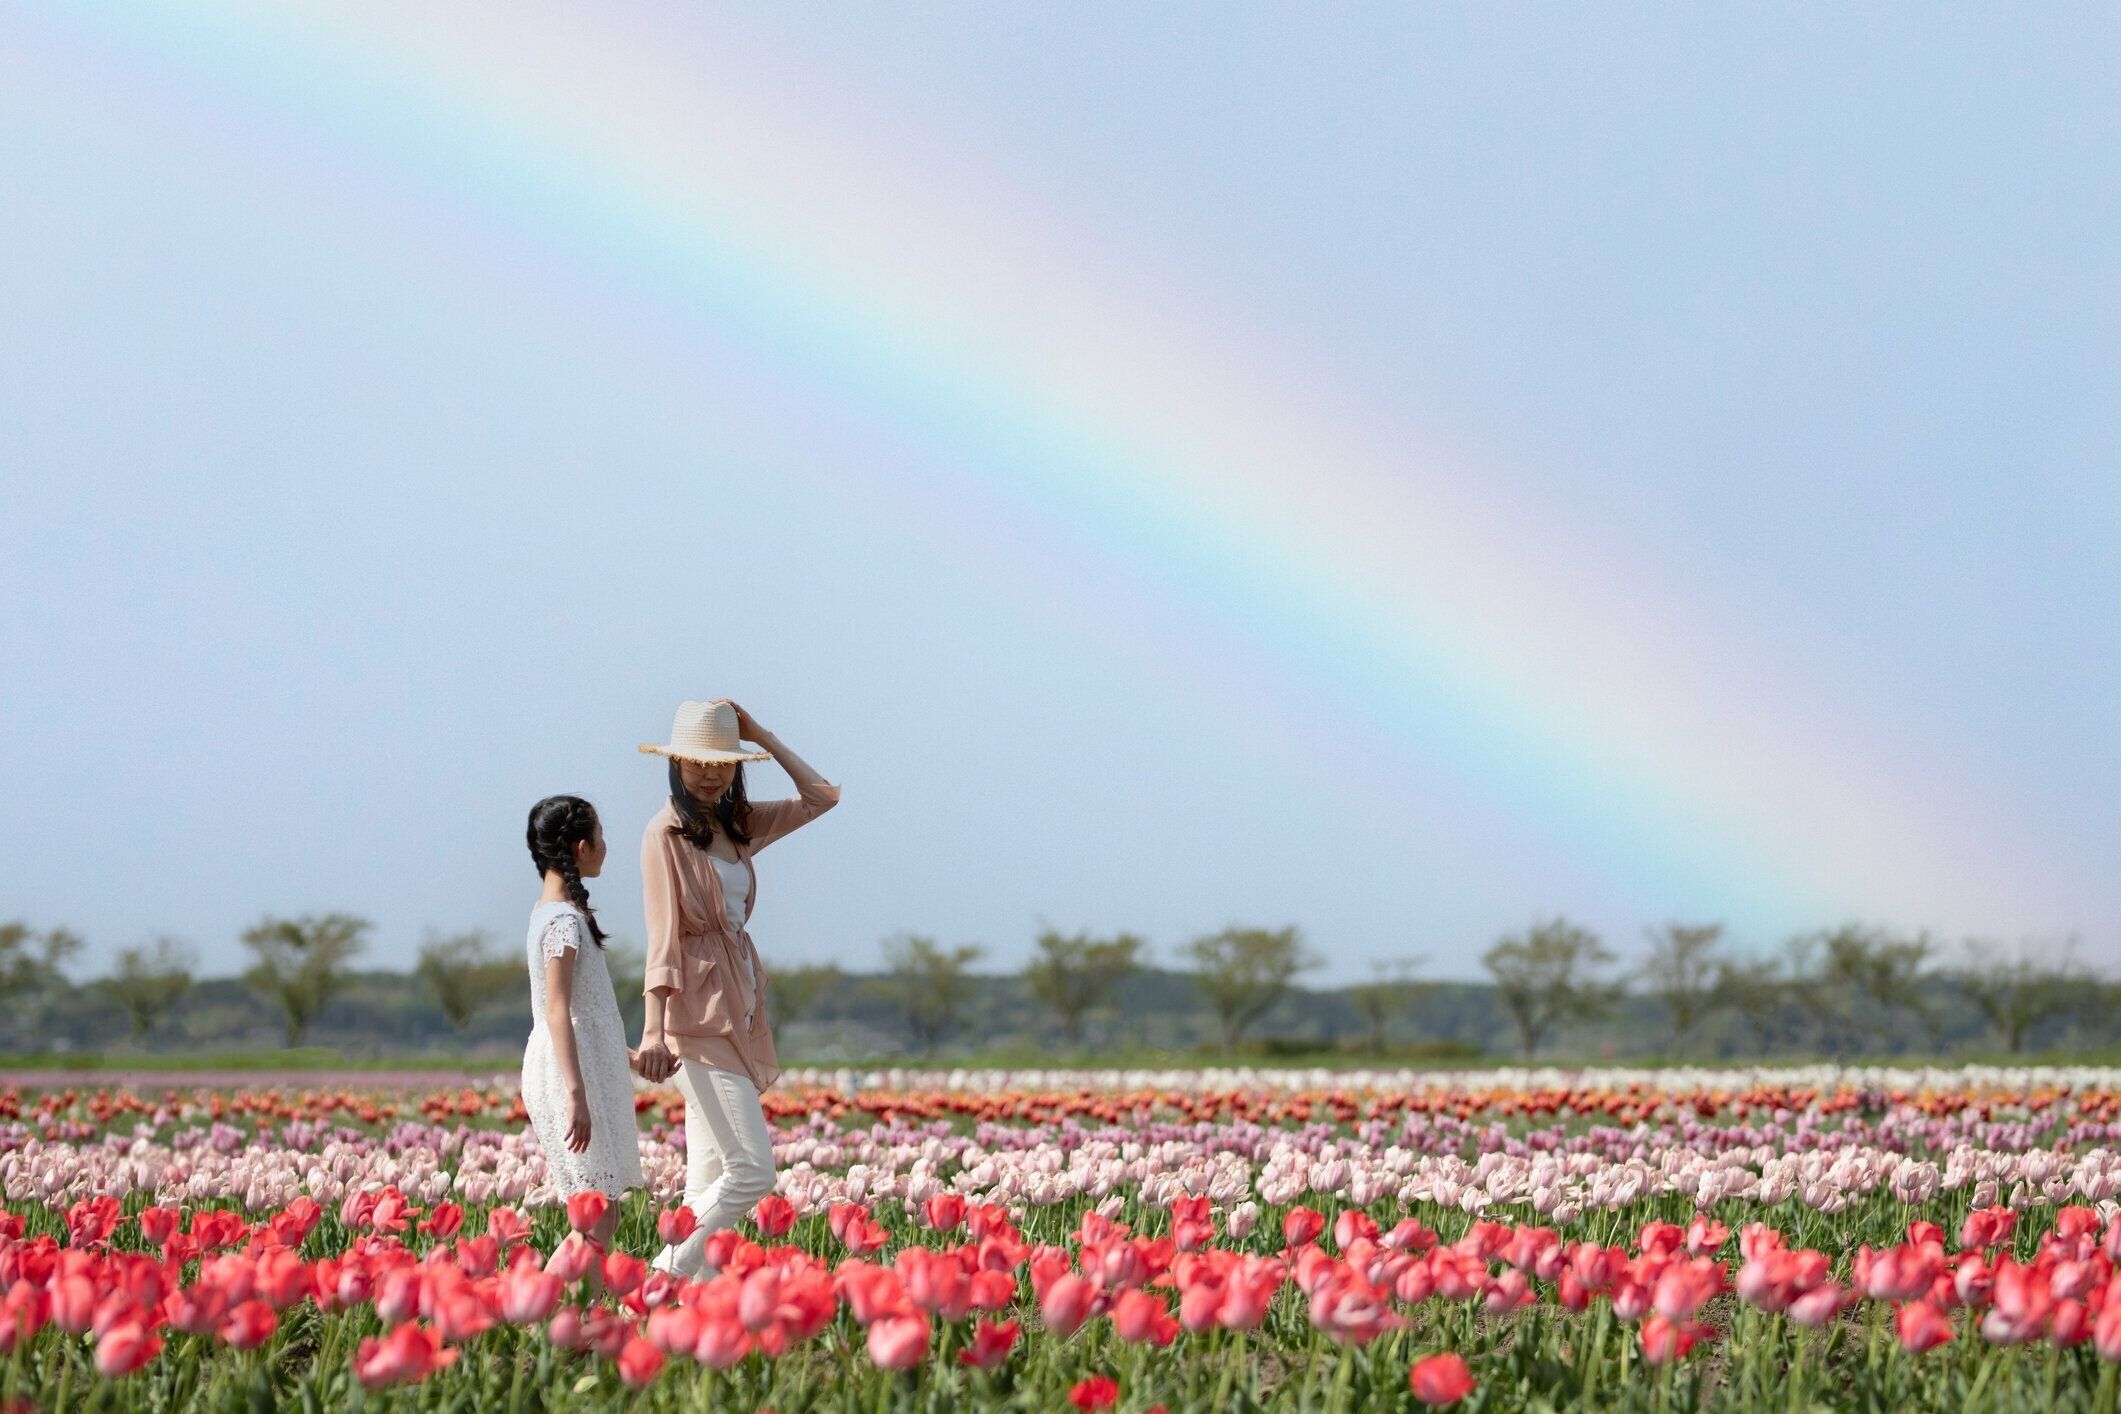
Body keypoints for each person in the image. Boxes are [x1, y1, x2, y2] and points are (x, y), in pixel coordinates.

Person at [634, 698, 840, 1276]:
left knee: (707, 1173)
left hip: (740, 1001)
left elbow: (820, 797)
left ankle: (689, 1312)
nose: (708, 773)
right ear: (675, 763)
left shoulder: (737, 825)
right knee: (752, 1171)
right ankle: (658, 1278)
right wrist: (653, 1029)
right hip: (696, 1013)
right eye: (697, 762)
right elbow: (662, 935)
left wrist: (763, 735)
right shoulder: (664, 834)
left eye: (722, 762)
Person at [519, 795, 650, 1249]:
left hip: (578, 1066)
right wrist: (576, 1094)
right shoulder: (562, 922)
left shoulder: (551, 915)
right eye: (600, 837)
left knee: (602, 1213)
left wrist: (630, 1058)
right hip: (568, 1078)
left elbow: (583, 1015)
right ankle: (553, 1306)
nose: (605, 847)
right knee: (596, 1215)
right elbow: (558, 1009)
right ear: (580, 847)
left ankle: (577, 1313)